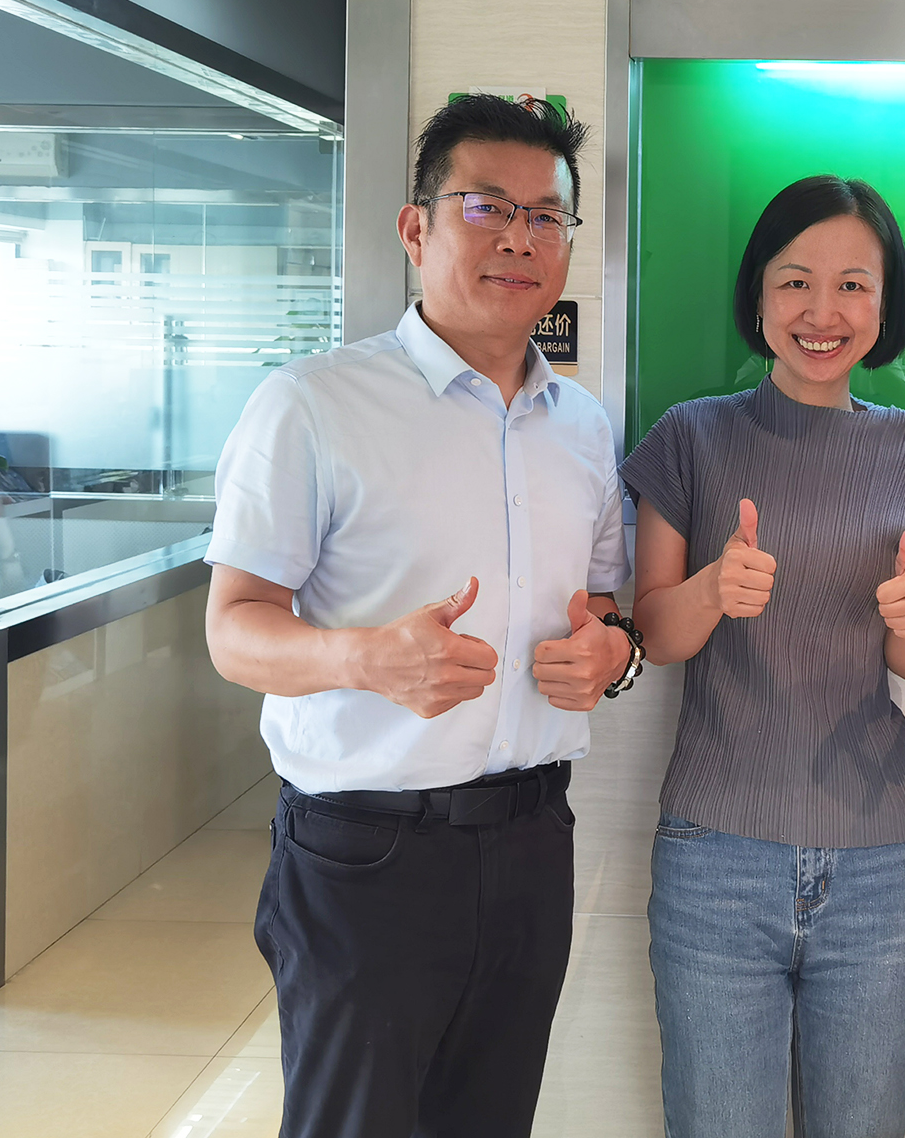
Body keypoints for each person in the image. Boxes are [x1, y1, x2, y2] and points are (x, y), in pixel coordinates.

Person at [203, 94, 640, 1138]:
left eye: (546, 216)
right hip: (368, 853)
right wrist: (367, 658)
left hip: (532, 839)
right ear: (416, 228)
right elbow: (233, 627)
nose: (520, 239)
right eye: (487, 208)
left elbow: (605, 609)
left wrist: (610, 654)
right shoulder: (312, 403)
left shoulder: (582, 425)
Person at [621, 176, 905, 1138]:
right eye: (795, 281)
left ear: (886, 305)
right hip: (716, 859)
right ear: (759, 295)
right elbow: (653, 636)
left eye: (853, 285)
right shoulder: (691, 436)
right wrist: (710, 590)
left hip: (882, 864)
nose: (823, 312)